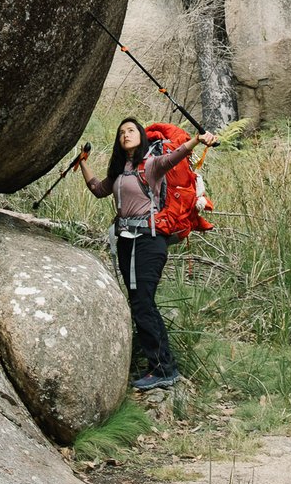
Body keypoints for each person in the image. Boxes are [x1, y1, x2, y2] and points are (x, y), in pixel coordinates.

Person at [80, 116, 216, 391]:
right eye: (121, 132)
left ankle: (163, 369)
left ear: (142, 136)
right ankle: (160, 367)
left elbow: (176, 156)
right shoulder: (120, 171)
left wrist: (198, 139)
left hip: (150, 240)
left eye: (131, 130)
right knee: (140, 303)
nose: (126, 134)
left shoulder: (151, 165)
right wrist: (82, 162)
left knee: (143, 303)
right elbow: (98, 189)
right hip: (127, 241)